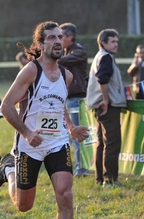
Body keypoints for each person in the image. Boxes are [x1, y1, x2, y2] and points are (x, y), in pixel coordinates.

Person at [0, 21, 89, 219]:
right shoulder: (31, 71)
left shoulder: (67, 75)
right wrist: (25, 132)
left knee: (65, 194)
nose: (58, 41)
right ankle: (9, 169)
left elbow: (59, 105)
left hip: (57, 142)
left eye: (60, 37)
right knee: (24, 205)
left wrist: (71, 128)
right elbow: (6, 106)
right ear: (41, 44)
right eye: (52, 38)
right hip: (29, 145)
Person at [86, 29, 127, 187]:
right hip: (107, 106)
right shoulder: (106, 58)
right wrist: (105, 99)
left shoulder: (99, 56)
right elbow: (102, 79)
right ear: (103, 43)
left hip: (101, 106)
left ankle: (101, 179)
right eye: (113, 42)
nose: (116, 44)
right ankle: (110, 180)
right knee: (112, 143)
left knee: (102, 144)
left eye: (117, 41)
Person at [58, 22, 89, 177]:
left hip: (76, 98)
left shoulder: (78, 51)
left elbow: (61, 61)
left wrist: (50, 56)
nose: (58, 39)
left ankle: (82, 168)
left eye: (60, 36)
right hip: (67, 98)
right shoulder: (67, 51)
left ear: (70, 37)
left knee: (77, 135)